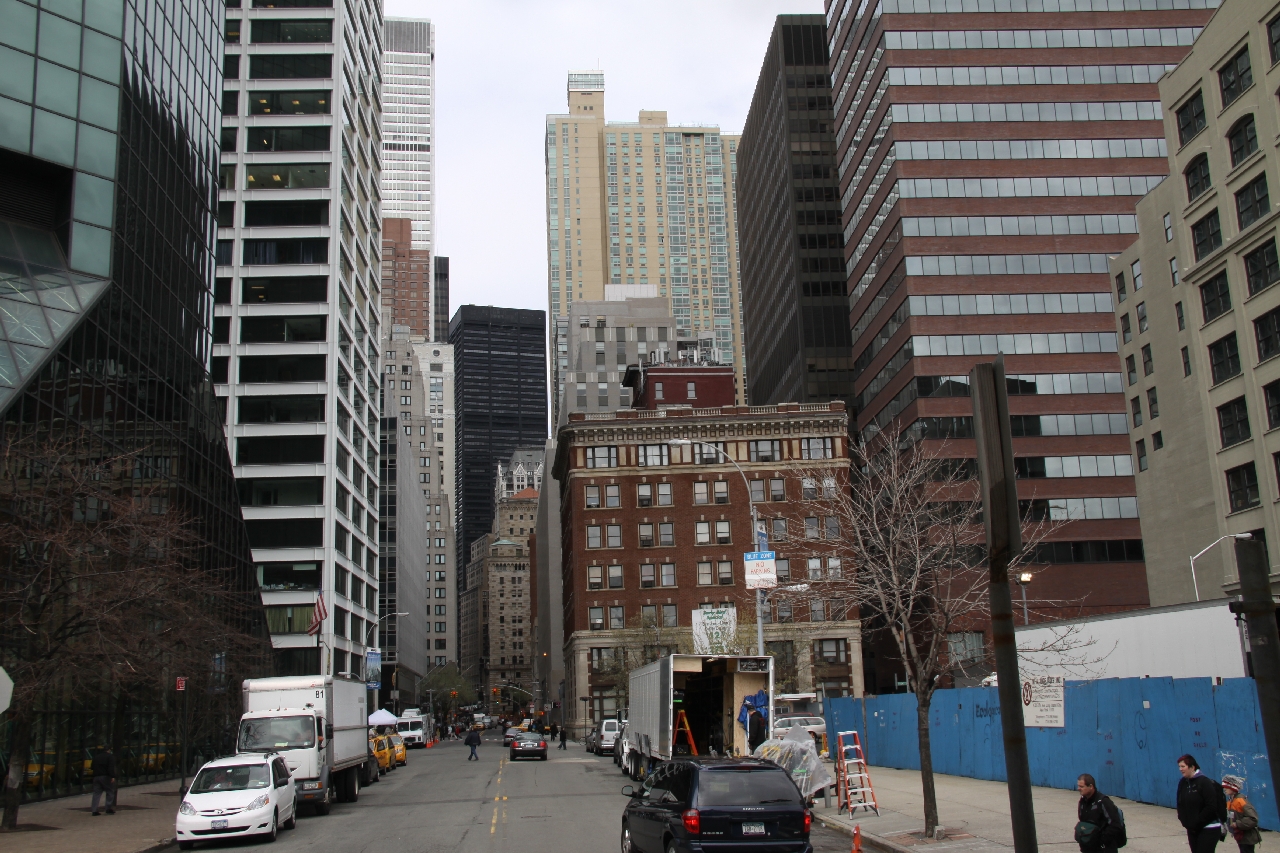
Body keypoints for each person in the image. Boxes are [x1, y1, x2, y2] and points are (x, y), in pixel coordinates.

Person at [1177, 754, 1227, 853]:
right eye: (1179, 766)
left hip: (1209, 827)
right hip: (1192, 828)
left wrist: (1197, 822)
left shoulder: (1204, 782)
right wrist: (1184, 821)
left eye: (1183, 766)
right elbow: (1180, 803)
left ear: (1192, 767)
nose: (1180, 769)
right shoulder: (1183, 782)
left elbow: (1211, 806)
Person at [1074, 773, 1124, 852]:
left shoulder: (1103, 802)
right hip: (1088, 847)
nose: (1078, 789)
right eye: (1078, 786)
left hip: (1104, 848)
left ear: (1091, 786)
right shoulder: (1083, 801)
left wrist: (1101, 840)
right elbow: (1083, 822)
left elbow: (1115, 825)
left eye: (1082, 786)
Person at [1222, 775, 1262, 853]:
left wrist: (1237, 824)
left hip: (1247, 837)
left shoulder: (1240, 801)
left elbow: (1253, 818)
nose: (1224, 789)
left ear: (1233, 788)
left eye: (1227, 787)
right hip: (1240, 836)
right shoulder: (1230, 801)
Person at [90, 746, 117, 816]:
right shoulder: (110, 757)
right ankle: (108, 808)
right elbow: (110, 767)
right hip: (105, 776)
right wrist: (112, 776)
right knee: (110, 791)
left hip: (96, 777)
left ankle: (94, 810)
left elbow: (92, 767)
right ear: (109, 750)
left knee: (96, 793)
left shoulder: (96, 757)